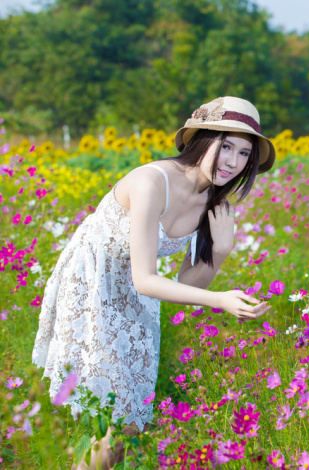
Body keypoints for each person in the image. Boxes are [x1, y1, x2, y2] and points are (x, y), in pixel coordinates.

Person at [30, 97, 276, 468]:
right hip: (94, 281)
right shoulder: (151, 181)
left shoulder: (212, 200)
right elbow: (146, 279)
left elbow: (185, 282)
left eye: (244, 153)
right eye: (225, 146)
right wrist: (220, 299)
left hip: (137, 291)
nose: (233, 162)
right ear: (203, 138)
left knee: (128, 422)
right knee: (107, 414)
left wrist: (221, 250)